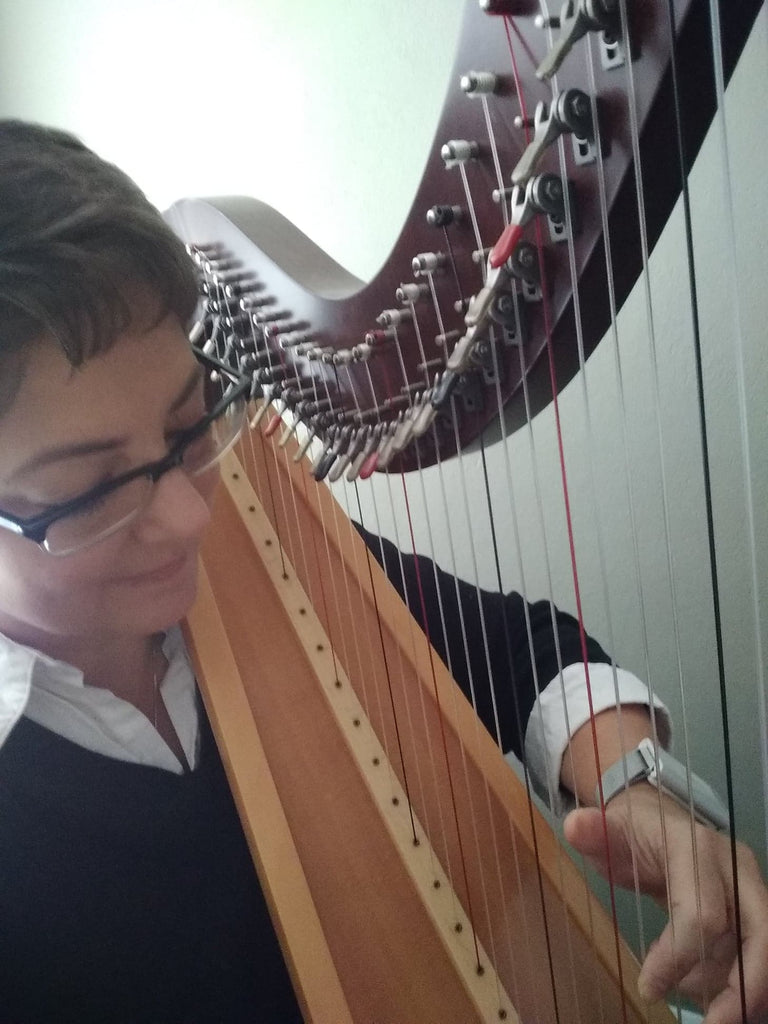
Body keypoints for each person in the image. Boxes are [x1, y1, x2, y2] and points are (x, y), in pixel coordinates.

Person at [0, 119, 765, 1023]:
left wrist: (639, 789)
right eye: (91, 490)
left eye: (189, 423)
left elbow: (511, 645)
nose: (189, 515)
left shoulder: (255, 531)